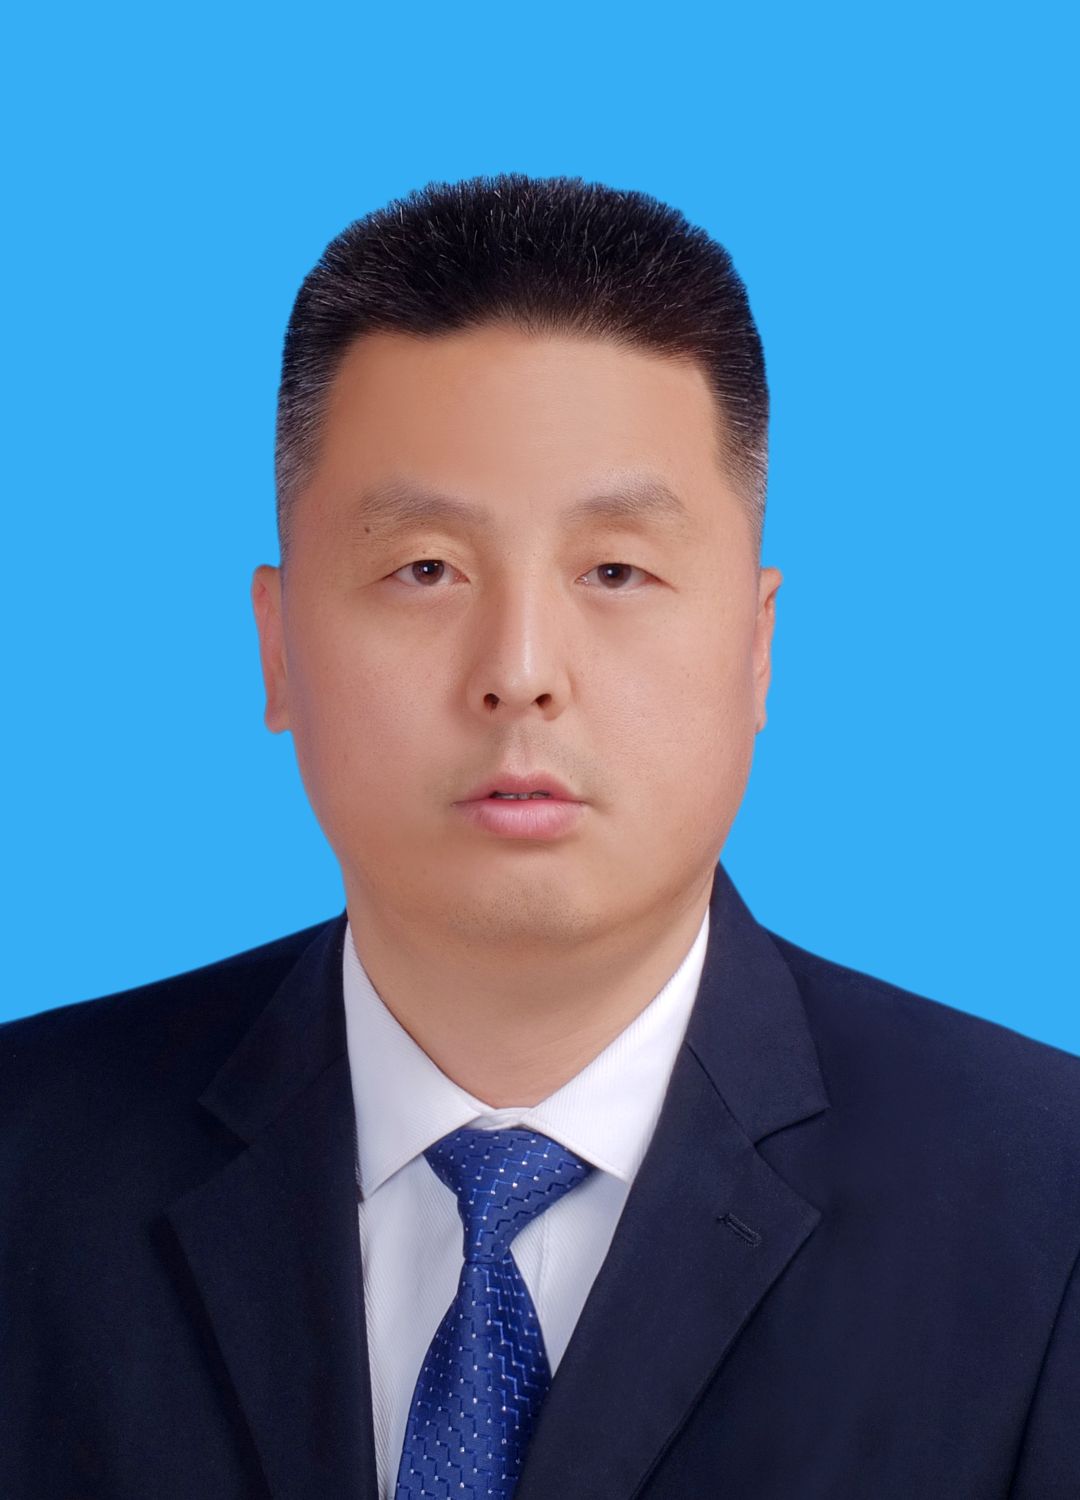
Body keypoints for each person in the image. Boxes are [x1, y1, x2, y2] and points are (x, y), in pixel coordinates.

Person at [1, 172, 1077, 1500]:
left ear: (755, 647)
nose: (519, 673)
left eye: (615, 571)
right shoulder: (26, 1167)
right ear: (278, 648)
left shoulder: (1047, 1209)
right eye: (426, 570)